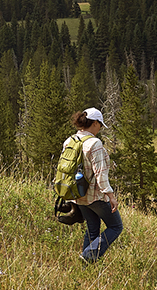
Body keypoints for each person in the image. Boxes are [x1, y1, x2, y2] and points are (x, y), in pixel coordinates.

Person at [66, 107, 122, 263]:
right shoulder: (94, 143)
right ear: (95, 123)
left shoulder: (70, 140)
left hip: (77, 194)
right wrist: (111, 195)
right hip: (95, 196)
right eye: (100, 125)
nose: (100, 129)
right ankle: (88, 256)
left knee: (92, 227)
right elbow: (100, 174)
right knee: (116, 226)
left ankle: (85, 265)